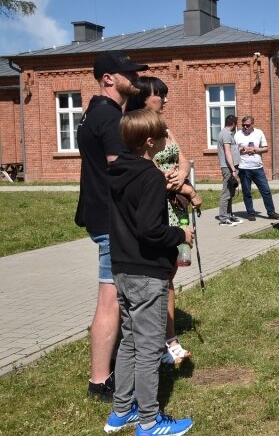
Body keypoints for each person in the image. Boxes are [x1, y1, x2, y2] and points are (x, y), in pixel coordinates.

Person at [104, 109, 194, 435]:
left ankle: (120, 411)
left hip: (122, 269)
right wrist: (181, 235)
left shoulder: (115, 171)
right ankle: (149, 421)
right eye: (159, 137)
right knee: (148, 348)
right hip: (146, 273)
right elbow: (150, 230)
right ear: (148, 141)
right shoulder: (150, 176)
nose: (163, 141)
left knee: (129, 342)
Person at [76, 50, 147, 402]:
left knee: (113, 297)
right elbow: (122, 172)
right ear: (108, 79)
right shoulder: (108, 118)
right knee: (110, 300)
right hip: (111, 218)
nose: (135, 79)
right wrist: (161, 182)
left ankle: (105, 374)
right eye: (128, 74)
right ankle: (100, 381)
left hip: (101, 214)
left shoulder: (94, 113)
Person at [125, 76, 195, 364]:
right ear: (143, 98)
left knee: (169, 278)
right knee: (160, 279)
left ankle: (169, 337)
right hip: (158, 210)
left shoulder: (165, 127)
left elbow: (185, 158)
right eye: (160, 95)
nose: (165, 100)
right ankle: (160, 342)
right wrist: (186, 188)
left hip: (176, 208)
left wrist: (182, 174)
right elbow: (151, 176)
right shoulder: (138, 131)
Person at [235, 115, 279, 221]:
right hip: (244, 168)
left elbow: (266, 148)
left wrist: (257, 150)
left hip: (257, 168)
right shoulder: (238, 134)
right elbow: (234, 149)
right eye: (243, 125)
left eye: (247, 125)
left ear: (252, 124)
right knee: (247, 192)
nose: (245, 127)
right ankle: (250, 213)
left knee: (266, 191)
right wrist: (242, 149)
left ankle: (271, 212)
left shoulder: (259, 133)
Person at [216, 115, 243, 227]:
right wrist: (233, 170)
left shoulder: (225, 133)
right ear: (233, 124)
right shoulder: (226, 134)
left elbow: (230, 149)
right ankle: (223, 218)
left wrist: (239, 149)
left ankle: (229, 215)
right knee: (226, 193)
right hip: (228, 168)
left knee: (231, 193)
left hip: (230, 167)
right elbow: (227, 152)